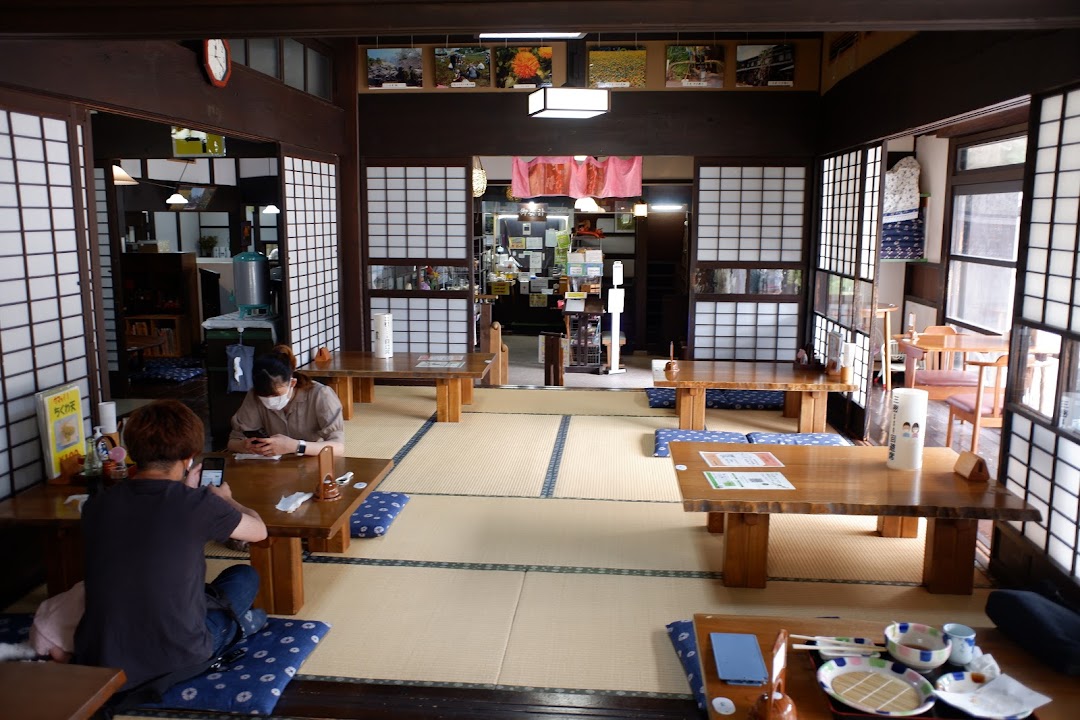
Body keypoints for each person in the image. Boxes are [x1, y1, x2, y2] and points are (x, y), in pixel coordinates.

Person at [74, 400, 268, 690]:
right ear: (189, 457)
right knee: (245, 577)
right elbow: (259, 531)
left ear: (132, 451)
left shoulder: (98, 504)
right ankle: (236, 630)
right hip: (180, 653)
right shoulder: (199, 505)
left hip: (103, 657)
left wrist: (185, 492)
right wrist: (225, 499)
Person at [227, 344, 346, 458]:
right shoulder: (254, 395)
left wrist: (296, 446)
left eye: (275, 394)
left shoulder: (320, 394)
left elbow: (338, 447)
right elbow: (233, 441)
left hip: (311, 459)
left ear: (292, 383)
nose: (269, 400)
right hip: (272, 463)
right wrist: (245, 446)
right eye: (264, 395)